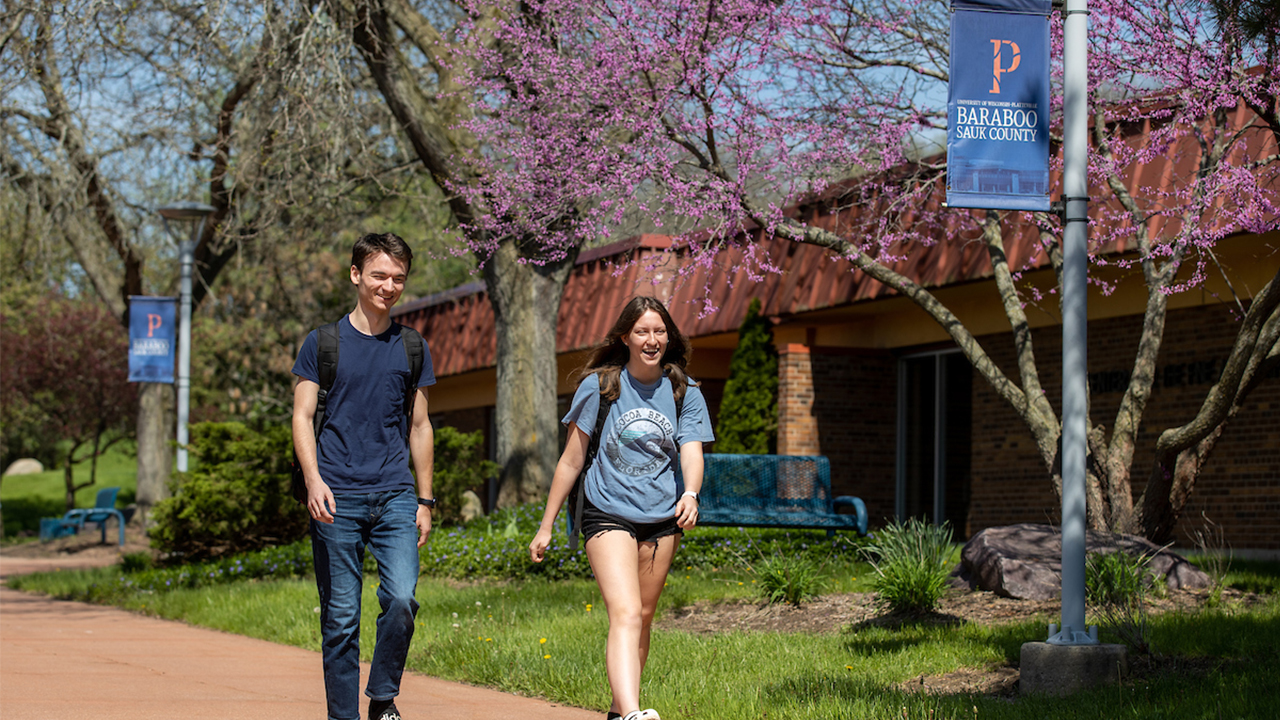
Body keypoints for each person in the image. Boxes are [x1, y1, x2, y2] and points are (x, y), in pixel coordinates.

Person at [529, 296, 715, 720]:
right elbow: (572, 459)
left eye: (659, 331)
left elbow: (691, 451)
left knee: (644, 616)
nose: (652, 340)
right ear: (625, 337)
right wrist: (546, 525)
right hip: (607, 511)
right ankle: (633, 713)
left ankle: (619, 711)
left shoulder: (685, 392)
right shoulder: (601, 386)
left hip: (662, 517)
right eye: (642, 332)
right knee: (626, 612)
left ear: (669, 336)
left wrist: (690, 493)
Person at [292, 232, 436, 720]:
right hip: (336, 496)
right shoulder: (323, 343)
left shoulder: (412, 346)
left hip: (395, 494)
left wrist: (426, 499)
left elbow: (419, 425)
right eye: (379, 275)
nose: (389, 286)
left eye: (398, 277)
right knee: (341, 617)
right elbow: (302, 415)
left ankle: (382, 697)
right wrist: (313, 479)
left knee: (401, 599)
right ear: (356, 275)